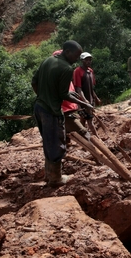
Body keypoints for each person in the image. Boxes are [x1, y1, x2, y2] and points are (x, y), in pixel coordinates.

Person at [31, 40, 94, 186]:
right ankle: (56, 178)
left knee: (48, 141)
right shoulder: (66, 68)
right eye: (76, 55)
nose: (77, 59)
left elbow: (34, 82)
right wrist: (84, 104)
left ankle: (49, 175)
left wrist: (44, 97)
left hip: (39, 108)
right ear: (67, 52)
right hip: (52, 111)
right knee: (56, 143)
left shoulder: (47, 61)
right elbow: (64, 94)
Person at [73, 52, 101, 136]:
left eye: (90, 60)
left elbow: (91, 88)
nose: (88, 61)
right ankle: (97, 139)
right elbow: (78, 89)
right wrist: (85, 101)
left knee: (83, 120)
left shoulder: (90, 71)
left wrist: (96, 98)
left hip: (90, 100)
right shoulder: (77, 71)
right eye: (86, 60)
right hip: (83, 102)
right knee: (90, 121)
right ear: (82, 60)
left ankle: (83, 138)